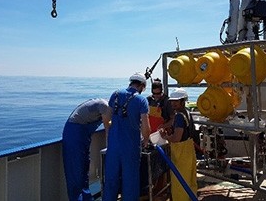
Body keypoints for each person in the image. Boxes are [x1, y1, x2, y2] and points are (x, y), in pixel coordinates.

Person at [102, 73, 151, 201]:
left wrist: (109, 134)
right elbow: (146, 128)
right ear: (141, 86)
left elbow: (106, 118)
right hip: (131, 147)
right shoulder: (141, 100)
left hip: (113, 147)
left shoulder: (116, 94)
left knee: (111, 180)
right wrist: (146, 141)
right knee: (130, 182)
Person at [63, 98, 112, 201]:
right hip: (74, 133)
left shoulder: (105, 105)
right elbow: (108, 129)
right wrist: (110, 149)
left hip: (84, 135)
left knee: (84, 169)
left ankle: (86, 198)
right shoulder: (105, 106)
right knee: (76, 170)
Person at [160, 88, 198, 201]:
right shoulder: (187, 112)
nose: (173, 103)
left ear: (183, 101)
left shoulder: (179, 116)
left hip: (181, 153)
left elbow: (176, 138)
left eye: (176, 101)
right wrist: (166, 126)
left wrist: (165, 137)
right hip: (189, 149)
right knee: (190, 179)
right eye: (172, 101)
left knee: (180, 182)